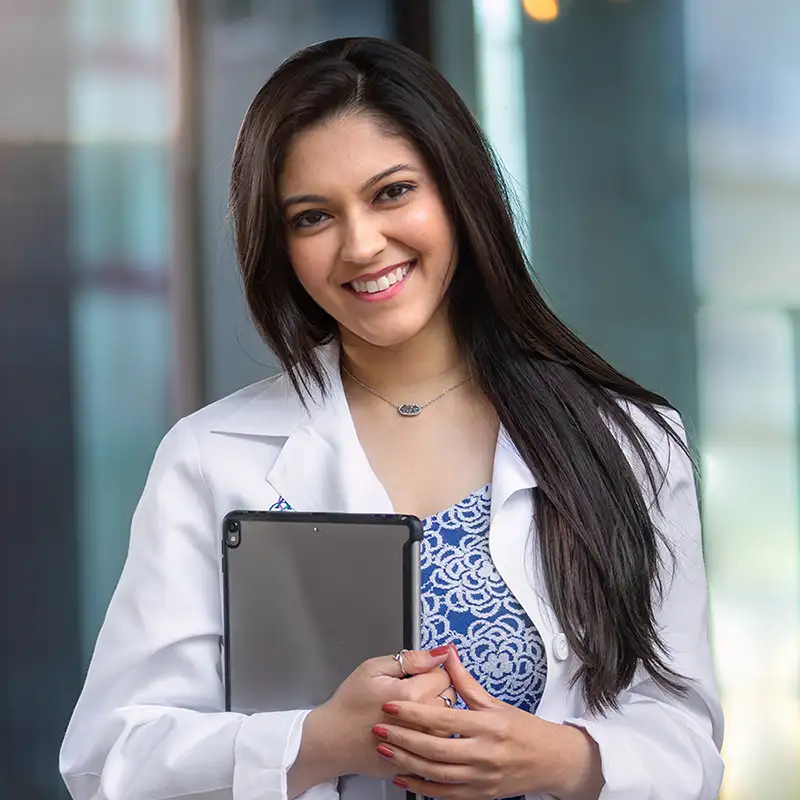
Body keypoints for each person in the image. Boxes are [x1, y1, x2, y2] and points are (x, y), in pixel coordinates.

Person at [59, 36, 723, 800]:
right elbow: (110, 758)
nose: (362, 244)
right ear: (280, 245)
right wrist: (313, 742)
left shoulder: (629, 442)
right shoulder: (212, 457)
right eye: (313, 217)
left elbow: (689, 739)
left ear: (457, 190)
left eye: (392, 192)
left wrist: (561, 758)